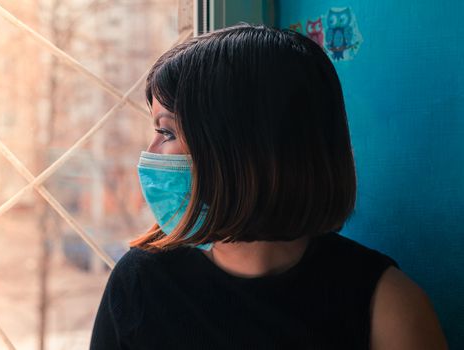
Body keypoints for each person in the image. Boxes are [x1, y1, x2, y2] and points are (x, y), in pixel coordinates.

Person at [90, 24, 447, 349]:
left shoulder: (387, 306)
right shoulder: (139, 284)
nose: (151, 154)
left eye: (166, 132)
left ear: (241, 149)